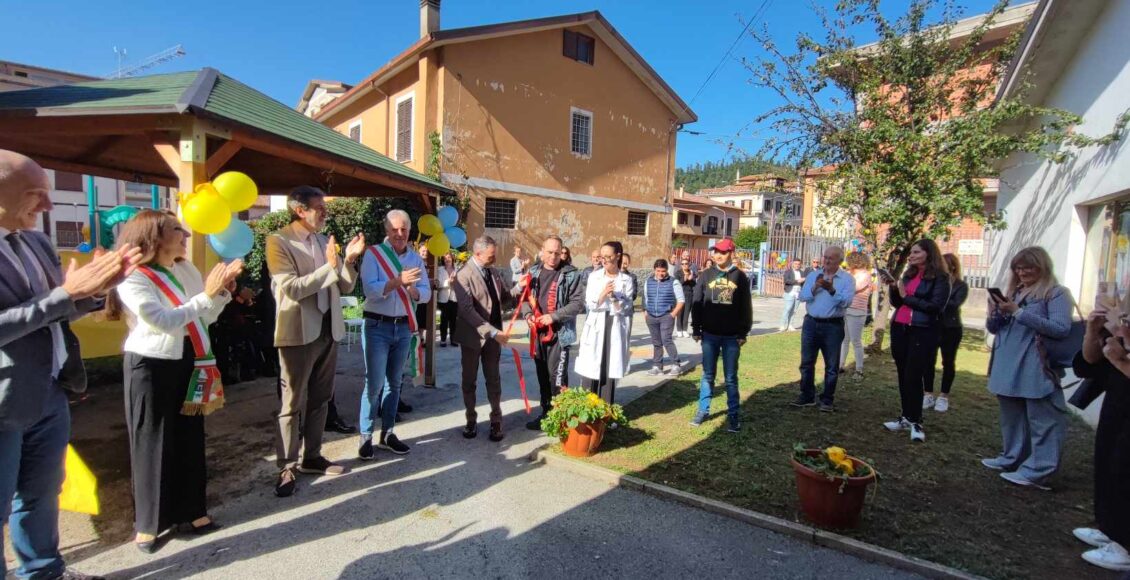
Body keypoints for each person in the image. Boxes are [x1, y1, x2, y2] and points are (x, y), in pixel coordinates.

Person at [0, 151, 138, 580]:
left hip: (50, 390)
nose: (47, 206)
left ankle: (44, 572)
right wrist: (64, 295)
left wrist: (97, 290)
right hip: (4, 400)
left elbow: (53, 311)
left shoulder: (35, 241)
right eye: (36, 194)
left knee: (42, 493)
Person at [111, 210, 242, 552]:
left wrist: (222, 293)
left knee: (189, 436)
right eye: (176, 229)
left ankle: (192, 510)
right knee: (152, 441)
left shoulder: (185, 268)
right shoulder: (134, 275)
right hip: (150, 363)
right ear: (153, 235)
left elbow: (204, 316)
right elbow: (161, 320)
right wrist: (205, 296)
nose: (185, 234)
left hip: (190, 358)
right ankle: (149, 523)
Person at [266, 185, 365, 497]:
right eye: (319, 207)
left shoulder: (324, 240)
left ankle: (312, 457)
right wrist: (331, 266)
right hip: (297, 332)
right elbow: (293, 289)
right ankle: (286, 465)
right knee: (291, 403)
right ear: (300, 210)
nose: (325, 211)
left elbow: (345, 286)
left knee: (321, 399)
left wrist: (348, 260)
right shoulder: (278, 241)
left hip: (328, 329)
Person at [982, 246, 1072, 489]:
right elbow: (996, 328)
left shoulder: (1056, 293)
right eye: (1018, 268)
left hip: (1034, 364)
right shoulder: (1015, 292)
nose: (1022, 272)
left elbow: (1061, 328)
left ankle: (1040, 471)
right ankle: (1013, 457)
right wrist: (995, 314)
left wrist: (1019, 313)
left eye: (1028, 267)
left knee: (1043, 419)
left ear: (1042, 267)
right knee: (1012, 416)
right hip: (1008, 362)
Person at [357, 209, 430, 459]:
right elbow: (370, 289)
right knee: (375, 383)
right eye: (394, 229)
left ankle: (387, 433)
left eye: (404, 229)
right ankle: (365, 436)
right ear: (386, 230)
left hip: (403, 327)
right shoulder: (374, 254)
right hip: (377, 326)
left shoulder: (416, 259)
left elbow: (426, 292)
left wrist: (414, 291)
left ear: (409, 230)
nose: (399, 234)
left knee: (395, 383)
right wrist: (397, 281)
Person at [1070, 292, 1130, 572]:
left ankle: (1124, 545)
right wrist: (1093, 329)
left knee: (1123, 469)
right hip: (1118, 401)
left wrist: (1120, 360)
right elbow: (1090, 361)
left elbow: (1118, 359)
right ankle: (1109, 528)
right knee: (1106, 461)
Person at [881, 239, 950, 443]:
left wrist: (906, 296)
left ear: (929, 253)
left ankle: (916, 420)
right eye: (911, 252)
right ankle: (905, 417)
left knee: (913, 375)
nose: (911, 256)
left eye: (916, 252)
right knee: (903, 373)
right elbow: (898, 302)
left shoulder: (941, 278)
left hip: (922, 330)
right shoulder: (909, 275)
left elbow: (935, 307)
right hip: (900, 327)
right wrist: (894, 288)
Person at [454, 236, 519, 441]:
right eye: (491, 256)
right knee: (469, 381)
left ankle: (496, 421)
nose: (494, 258)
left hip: (493, 338)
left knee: (494, 380)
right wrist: (492, 331)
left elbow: (504, 299)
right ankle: (471, 420)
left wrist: (518, 288)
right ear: (478, 253)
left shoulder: (493, 272)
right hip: (473, 337)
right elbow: (466, 310)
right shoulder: (463, 275)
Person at [520, 236, 585, 430]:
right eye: (549, 252)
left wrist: (554, 317)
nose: (553, 257)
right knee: (542, 376)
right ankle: (547, 415)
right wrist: (528, 315)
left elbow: (577, 304)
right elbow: (524, 299)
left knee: (557, 378)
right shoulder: (533, 272)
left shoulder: (571, 274)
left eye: (557, 253)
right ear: (542, 251)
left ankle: (561, 418)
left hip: (560, 335)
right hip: (537, 334)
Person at [690, 239, 752, 431]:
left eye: (723, 252)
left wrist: (743, 332)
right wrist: (696, 328)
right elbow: (697, 302)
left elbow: (745, 307)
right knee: (708, 374)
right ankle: (703, 410)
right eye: (716, 251)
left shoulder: (740, 277)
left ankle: (733, 415)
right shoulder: (706, 275)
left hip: (732, 336)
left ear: (731, 253)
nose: (718, 255)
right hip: (709, 335)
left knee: (731, 377)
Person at [791, 246, 854, 413]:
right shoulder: (813, 275)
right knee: (806, 362)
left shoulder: (847, 279)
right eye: (825, 257)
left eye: (830, 258)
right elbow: (803, 297)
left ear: (839, 261)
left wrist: (831, 290)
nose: (826, 261)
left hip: (832, 325)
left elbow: (847, 302)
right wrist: (815, 288)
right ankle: (807, 395)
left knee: (832, 365)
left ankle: (827, 399)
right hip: (811, 323)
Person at [577, 241, 634, 405]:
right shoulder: (595, 276)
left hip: (614, 324)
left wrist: (614, 298)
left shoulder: (626, 280)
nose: (604, 260)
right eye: (602, 257)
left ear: (617, 256)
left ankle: (605, 412)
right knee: (591, 367)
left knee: (609, 368)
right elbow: (589, 303)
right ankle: (588, 409)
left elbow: (625, 307)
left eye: (608, 257)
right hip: (596, 323)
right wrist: (603, 294)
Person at [923, 253, 968, 413]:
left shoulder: (960, 285)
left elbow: (955, 304)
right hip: (933, 326)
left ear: (952, 266)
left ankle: (943, 396)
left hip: (951, 328)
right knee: (928, 360)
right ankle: (927, 393)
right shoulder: (934, 282)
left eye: (943, 264)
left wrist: (939, 298)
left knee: (948, 362)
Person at [643, 259, 685, 376]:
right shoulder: (648, 281)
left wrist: (673, 314)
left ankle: (676, 365)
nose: (660, 273)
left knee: (666, 340)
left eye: (663, 271)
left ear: (667, 270)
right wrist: (646, 312)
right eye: (658, 271)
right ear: (654, 270)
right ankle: (657, 366)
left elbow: (681, 300)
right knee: (656, 342)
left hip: (666, 315)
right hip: (651, 316)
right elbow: (645, 298)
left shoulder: (674, 282)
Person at [839, 252, 873, 382]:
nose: (846, 264)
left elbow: (853, 288)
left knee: (856, 341)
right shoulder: (850, 274)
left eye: (848, 261)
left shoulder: (865, 275)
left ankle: (859, 368)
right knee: (844, 339)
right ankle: (840, 365)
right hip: (846, 310)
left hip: (857, 311)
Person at [436, 252, 459, 347]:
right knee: (444, 320)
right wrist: (448, 282)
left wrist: (456, 283)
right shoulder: (440, 270)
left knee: (454, 321)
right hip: (443, 298)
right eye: (445, 258)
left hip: (454, 298)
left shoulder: (457, 269)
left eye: (449, 257)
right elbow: (437, 284)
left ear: (452, 258)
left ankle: (453, 339)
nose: (447, 260)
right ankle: (443, 339)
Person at [779, 258, 805, 332]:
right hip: (790, 292)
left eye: (799, 264)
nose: (797, 265)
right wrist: (797, 281)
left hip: (798, 293)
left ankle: (790, 325)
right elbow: (786, 281)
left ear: (800, 265)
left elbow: (804, 282)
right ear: (792, 264)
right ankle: (782, 325)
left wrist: (804, 280)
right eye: (796, 264)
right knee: (788, 308)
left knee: (794, 310)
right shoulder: (788, 272)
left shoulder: (802, 272)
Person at [675, 257, 696, 338]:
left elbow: (694, 284)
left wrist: (691, 279)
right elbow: (677, 284)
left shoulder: (692, 272)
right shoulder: (678, 273)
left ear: (689, 264)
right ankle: (679, 330)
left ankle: (685, 330)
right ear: (681, 265)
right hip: (680, 295)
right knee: (680, 313)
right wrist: (684, 279)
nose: (684, 265)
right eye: (682, 264)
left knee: (686, 313)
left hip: (689, 295)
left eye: (686, 264)